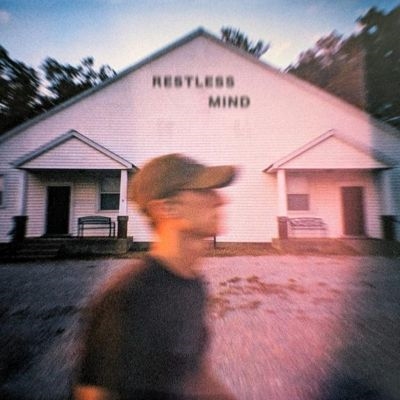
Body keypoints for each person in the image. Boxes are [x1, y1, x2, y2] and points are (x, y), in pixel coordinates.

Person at [74, 153, 238, 400]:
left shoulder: (192, 284)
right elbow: (94, 394)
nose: (221, 199)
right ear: (167, 208)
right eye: (205, 191)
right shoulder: (129, 298)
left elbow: (192, 371)